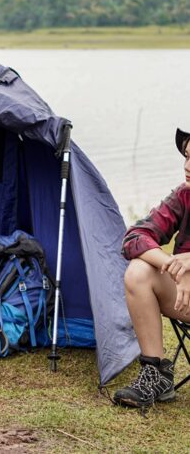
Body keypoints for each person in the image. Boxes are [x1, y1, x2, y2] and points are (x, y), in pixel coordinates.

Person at [113, 128, 190, 408]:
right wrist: (171, 264)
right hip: (185, 296)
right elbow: (134, 237)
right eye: (186, 157)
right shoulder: (184, 196)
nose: (187, 166)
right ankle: (156, 375)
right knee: (138, 271)